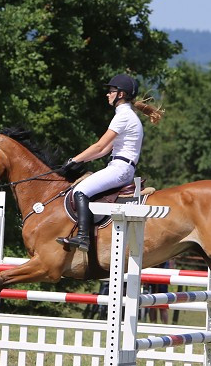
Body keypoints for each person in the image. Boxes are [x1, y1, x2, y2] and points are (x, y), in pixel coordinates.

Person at [56, 73, 162, 252]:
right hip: (121, 166)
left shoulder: (123, 116)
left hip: (120, 168)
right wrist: (80, 161)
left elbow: (99, 146)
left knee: (80, 190)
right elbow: (104, 151)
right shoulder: (125, 115)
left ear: (120, 94)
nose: (107, 94)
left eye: (111, 91)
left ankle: (83, 237)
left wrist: (73, 160)